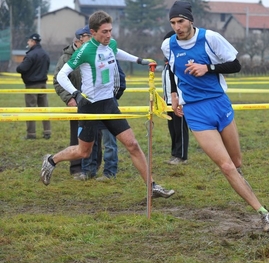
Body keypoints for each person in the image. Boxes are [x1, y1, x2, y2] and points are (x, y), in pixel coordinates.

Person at [161, 1, 269, 231]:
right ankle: (264, 213)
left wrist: (207, 68)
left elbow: (236, 65)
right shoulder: (168, 45)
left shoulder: (210, 38)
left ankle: (241, 183)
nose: (177, 27)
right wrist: (174, 95)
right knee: (225, 166)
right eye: (173, 23)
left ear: (190, 20)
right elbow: (172, 70)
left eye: (181, 21)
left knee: (236, 163)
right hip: (194, 111)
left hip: (219, 104)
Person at [41, 10, 174, 199]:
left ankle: (152, 186)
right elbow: (61, 75)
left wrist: (139, 60)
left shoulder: (110, 44)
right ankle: (52, 160)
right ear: (93, 32)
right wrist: (76, 94)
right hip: (89, 106)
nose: (109, 35)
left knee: (133, 144)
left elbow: (116, 52)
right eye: (104, 31)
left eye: (110, 30)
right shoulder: (84, 50)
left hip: (109, 104)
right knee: (84, 152)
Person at [54, 26, 103, 178]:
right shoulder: (66, 58)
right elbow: (58, 81)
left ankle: (94, 165)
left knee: (97, 134)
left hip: (95, 102)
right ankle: (76, 168)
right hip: (76, 104)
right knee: (77, 135)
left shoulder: (95, 53)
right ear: (78, 41)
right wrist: (69, 99)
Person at [162, 30, 189, 165]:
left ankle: (182, 156)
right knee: (172, 129)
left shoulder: (178, 63)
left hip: (179, 102)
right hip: (168, 102)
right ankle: (174, 154)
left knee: (180, 129)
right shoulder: (167, 65)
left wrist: (178, 98)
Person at [16, 33, 51, 140]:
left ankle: (31, 134)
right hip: (43, 84)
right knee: (44, 108)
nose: (28, 42)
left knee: (30, 109)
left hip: (31, 85)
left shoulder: (31, 55)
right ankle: (47, 132)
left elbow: (21, 68)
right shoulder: (45, 54)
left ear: (33, 42)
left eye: (29, 41)